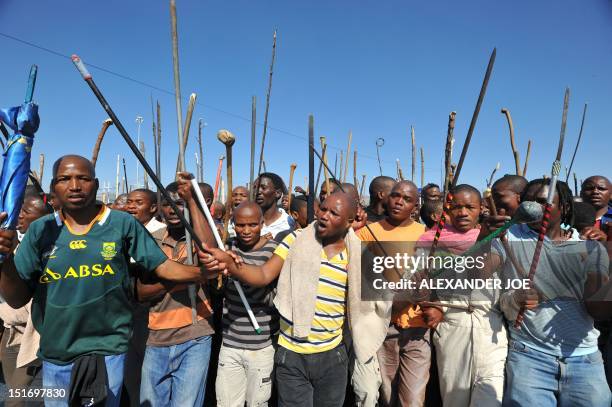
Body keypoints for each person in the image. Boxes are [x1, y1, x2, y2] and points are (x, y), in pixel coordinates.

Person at [0, 155, 213, 407]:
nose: (75, 185)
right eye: (65, 179)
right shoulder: (41, 230)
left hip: (109, 349)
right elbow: (16, 299)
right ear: (54, 187)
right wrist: (4, 260)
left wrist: (204, 273)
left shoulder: (122, 224)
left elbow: (164, 267)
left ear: (97, 183)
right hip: (57, 354)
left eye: (83, 178)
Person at [201, 192, 392, 407]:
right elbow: (263, 275)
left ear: (348, 221)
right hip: (291, 354)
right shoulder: (295, 240)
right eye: (323, 209)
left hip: (332, 356)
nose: (324, 216)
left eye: (334, 213)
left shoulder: (357, 254)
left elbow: (378, 299)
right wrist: (230, 264)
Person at [492, 179, 611, 406]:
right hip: (529, 356)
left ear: (564, 207)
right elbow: (477, 274)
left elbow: (598, 310)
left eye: (542, 202)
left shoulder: (588, 245)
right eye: (528, 201)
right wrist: (484, 237)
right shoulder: (508, 236)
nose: (532, 208)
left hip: (584, 358)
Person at [416, 184, 507, 407]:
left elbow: (480, 274)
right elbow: (418, 284)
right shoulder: (430, 242)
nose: (463, 212)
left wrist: (484, 239)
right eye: (456, 207)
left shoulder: (497, 239)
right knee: (454, 399)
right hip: (451, 327)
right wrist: (432, 302)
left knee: (489, 399)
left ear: (481, 209)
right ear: (447, 208)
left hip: (491, 330)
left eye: (470, 207)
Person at [138, 179, 216, 406]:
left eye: (180, 203)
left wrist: (192, 200)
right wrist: (181, 274)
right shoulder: (151, 239)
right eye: (167, 203)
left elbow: (211, 256)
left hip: (195, 333)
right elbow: (142, 293)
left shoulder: (200, 236)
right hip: (157, 336)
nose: (173, 209)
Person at [356, 181, 429, 407]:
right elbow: (359, 276)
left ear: (416, 206)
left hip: (417, 324)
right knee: (387, 390)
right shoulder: (367, 233)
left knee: (413, 398)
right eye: (395, 195)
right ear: (386, 198)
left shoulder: (426, 234)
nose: (399, 202)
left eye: (407, 199)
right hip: (382, 324)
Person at [215, 202, 279, 407]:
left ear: (262, 223)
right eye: (240, 225)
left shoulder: (273, 251)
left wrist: (242, 272)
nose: (246, 230)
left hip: (260, 345)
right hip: (230, 342)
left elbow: (275, 294)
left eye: (252, 225)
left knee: (257, 403)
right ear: (233, 224)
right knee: (225, 403)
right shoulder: (227, 247)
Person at [0, 193, 52, 407]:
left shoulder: (48, 252)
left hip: (33, 335)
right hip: (10, 334)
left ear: (43, 218)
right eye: (19, 210)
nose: (19, 216)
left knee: (17, 400)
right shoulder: (17, 245)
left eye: (26, 212)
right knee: (12, 390)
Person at [254, 173, 295, 240]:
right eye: (255, 188)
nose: (257, 192)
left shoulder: (289, 223)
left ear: (277, 193)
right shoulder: (247, 220)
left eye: (263, 188)